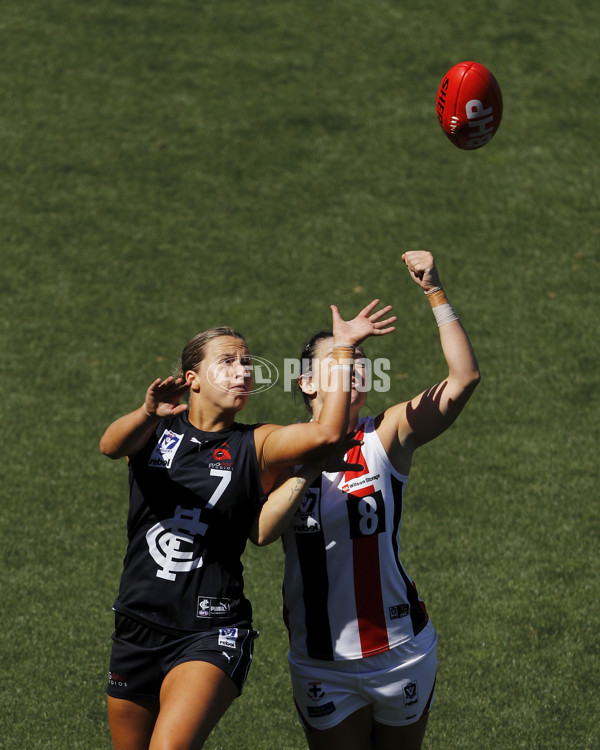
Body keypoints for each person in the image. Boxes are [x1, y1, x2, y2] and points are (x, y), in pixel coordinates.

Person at [99, 299, 396, 750]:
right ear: (192, 379)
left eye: (246, 363)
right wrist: (145, 412)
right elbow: (109, 446)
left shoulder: (255, 444)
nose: (242, 371)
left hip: (209, 630)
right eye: (227, 362)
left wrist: (344, 352)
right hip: (136, 624)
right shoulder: (157, 428)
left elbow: (326, 435)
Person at [263, 250, 480, 750]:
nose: (354, 365)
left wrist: (435, 291)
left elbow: (464, 379)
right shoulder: (274, 448)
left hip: (401, 652)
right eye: (339, 358)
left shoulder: (385, 434)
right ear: (307, 382)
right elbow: (259, 533)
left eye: (360, 359)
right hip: (322, 662)